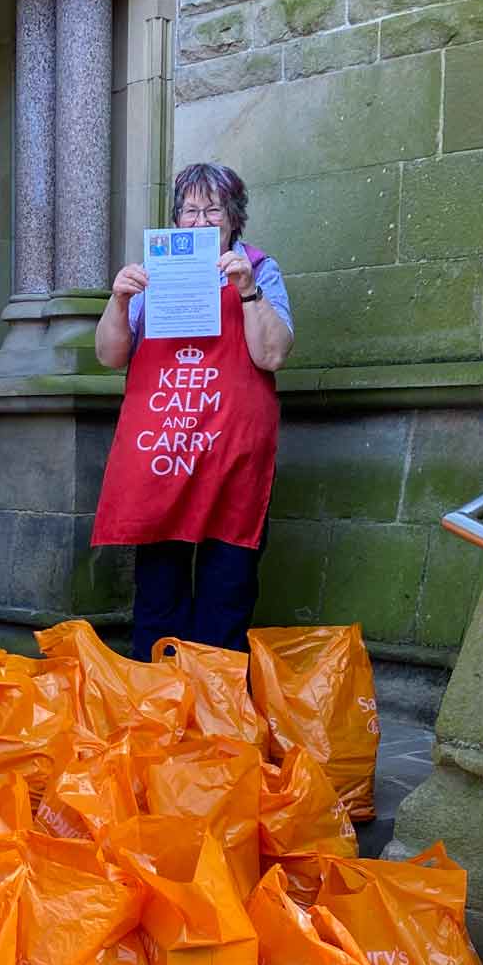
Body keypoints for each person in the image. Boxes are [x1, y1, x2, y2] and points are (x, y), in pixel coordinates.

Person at [90, 161, 294, 659]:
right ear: (176, 220)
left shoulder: (260, 269)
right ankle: (159, 709)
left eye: (213, 210)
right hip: (168, 450)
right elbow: (110, 356)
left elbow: (272, 354)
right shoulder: (153, 274)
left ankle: (215, 716)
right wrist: (118, 301)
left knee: (228, 590)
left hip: (232, 457)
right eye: (190, 211)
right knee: (159, 593)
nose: (201, 221)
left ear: (233, 218)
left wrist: (248, 291)